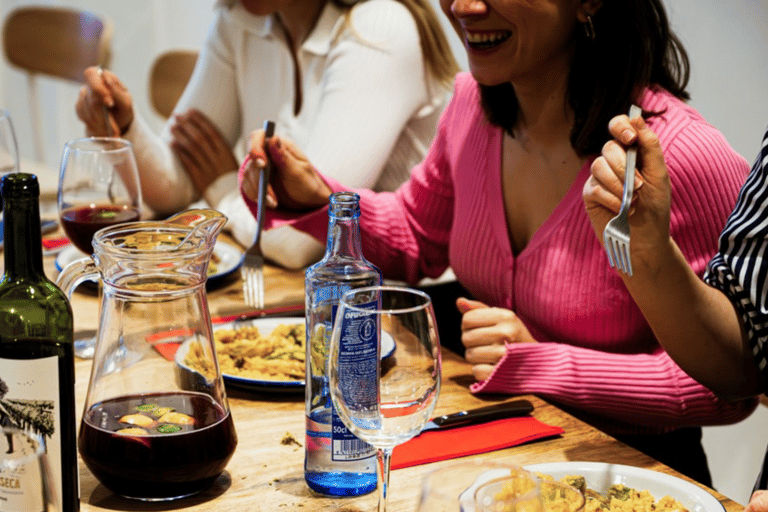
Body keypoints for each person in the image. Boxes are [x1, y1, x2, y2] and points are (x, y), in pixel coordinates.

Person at [237, 0, 759, 486]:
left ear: (590, 2)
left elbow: (733, 381)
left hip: (638, 476)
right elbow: (419, 231)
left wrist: (546, 363)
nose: (464, 7)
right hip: (506, 458)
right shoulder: (471, 105)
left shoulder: (684, 155)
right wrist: (322, 203)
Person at [74, 0, 458, 269]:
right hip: (303, 293)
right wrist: (123, 130)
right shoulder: (239, 19)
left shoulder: (380, 26)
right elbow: (176, 188)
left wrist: (224, 187)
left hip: (401, 309)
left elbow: (303, 243)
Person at [583, 113, 768, 509]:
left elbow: (738, 397)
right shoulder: (474, 113)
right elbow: (747, 360)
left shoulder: (690, 150)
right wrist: (651, 254)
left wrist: (534, 363)